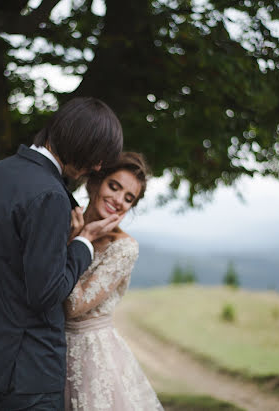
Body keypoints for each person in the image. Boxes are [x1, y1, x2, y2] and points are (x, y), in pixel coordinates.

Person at [0, 97, 124, 411]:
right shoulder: (51, 195)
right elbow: (45, 293)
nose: (96, 167)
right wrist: (84, 243)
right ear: (80, 142)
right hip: (30, 369)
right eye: (96, 157)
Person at [63, 152, 164, 410]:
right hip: (50, 352)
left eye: (128, 198)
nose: (118, 200)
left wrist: (77, 241)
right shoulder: (63, 223)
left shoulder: (123, 248)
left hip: (92, 362)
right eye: (114, 186)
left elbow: (73, 306)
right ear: (95, 182)